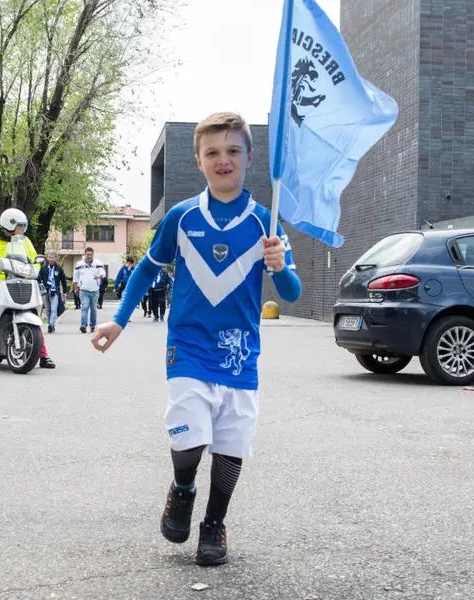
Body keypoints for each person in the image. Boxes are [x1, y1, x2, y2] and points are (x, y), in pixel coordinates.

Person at [90, 113, 302, 567]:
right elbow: (147, 268)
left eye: (232, 151)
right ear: (199, 161)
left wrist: (280, 265)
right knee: (189, 438)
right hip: (186, 349)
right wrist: (119, 321)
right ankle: (182, 487)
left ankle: (214, 524)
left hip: (240, 357)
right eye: (212, 153)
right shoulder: (183, 217)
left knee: (230, 446)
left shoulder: (267, 223)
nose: (222, 160)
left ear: (249, 156)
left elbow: (292, 294)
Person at [0, 208, 56, 371]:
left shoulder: (24, 242)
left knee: (34, 314)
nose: (22, 230)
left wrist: (36, 265)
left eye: (23, 227)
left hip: (18, 283)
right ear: (9, 225)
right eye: (19, 227)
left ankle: (43, 355)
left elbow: (33, 257)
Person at [72, 247, 105, 334]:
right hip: (84, 290)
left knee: (93, 309)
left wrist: (99, 276)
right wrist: (75, 287)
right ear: (85, 254)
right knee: (85, 307)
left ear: (93, 254)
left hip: (95, 290)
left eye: (91, 254)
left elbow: (103, 273)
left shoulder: (98, 263)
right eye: (88, 254)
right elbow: (75, 277)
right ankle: (83, 325)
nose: (89, 256)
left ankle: (93, 326)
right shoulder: (79, 264)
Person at [37, 251, 67, 333]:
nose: (51, 259)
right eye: (49, 257)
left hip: (55, 291)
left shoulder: (59, 268)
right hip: (45, 291)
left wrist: (64, 292)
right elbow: (39, 279)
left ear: (55, 258)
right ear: (47, 257)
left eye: (52, 257)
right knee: (48, 309)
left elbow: (63, 281)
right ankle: (51, 325)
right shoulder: (43, 268)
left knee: (54, 309)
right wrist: (41, 286)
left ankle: (51, 324)